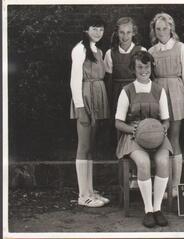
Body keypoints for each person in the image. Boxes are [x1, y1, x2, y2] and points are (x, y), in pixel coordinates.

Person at [115, 51, 172, 228]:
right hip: (133, 136)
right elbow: (118, 122)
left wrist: (163, 128)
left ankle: (157, 209)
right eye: (139, 67)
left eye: (147, 66)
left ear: (151, 67)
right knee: (144, 162)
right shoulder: (127, 91)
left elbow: (166, 120)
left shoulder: (158, 90)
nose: (143, 70)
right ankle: (148, 210)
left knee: (163, 161)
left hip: (156, 135)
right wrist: (136, 129)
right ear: (134, 69)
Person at [148, 12, 184, 197]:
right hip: (158, 94)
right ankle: (162, 185)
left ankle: (175, 186)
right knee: (158, 140)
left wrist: (179, 94)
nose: (162, 31)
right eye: (158, 29)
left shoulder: (181, 47)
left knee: (174, 138)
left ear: (171, 28)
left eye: (165, 28)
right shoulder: (151, 51)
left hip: (175, 92)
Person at [70, 15, 110, 207]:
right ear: (86, 29)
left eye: (101, 29)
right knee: (83, 146)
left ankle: (90, 191)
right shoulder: (79, 49)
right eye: (94, 28)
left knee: (91, 147)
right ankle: (82, 195)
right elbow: (74, 80)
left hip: (98, 97)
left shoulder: (99, 50)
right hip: (85, 98)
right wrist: (80, 107)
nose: (98, 32)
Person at [104, 17, 146, 189]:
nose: (125, 36)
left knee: (139, 132)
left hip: (136, 94)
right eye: (121, 32)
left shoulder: (141, 50)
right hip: (118, 94)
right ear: (117, 33)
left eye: (128, 32)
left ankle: (138, 176)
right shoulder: (110, 53)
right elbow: (109, 80)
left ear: (133, 33)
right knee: (121, 134)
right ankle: (124, 181)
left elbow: (146, 75)